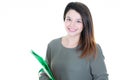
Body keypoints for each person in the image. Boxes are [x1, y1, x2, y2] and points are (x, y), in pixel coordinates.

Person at [39, 2, 108, 80]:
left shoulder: (93, 49)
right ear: (64, 19)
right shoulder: (52, 45)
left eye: (78, 21)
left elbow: (102, 78)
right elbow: (45, 73)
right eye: (69, 19)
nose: (72, 25)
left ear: (85, 24)